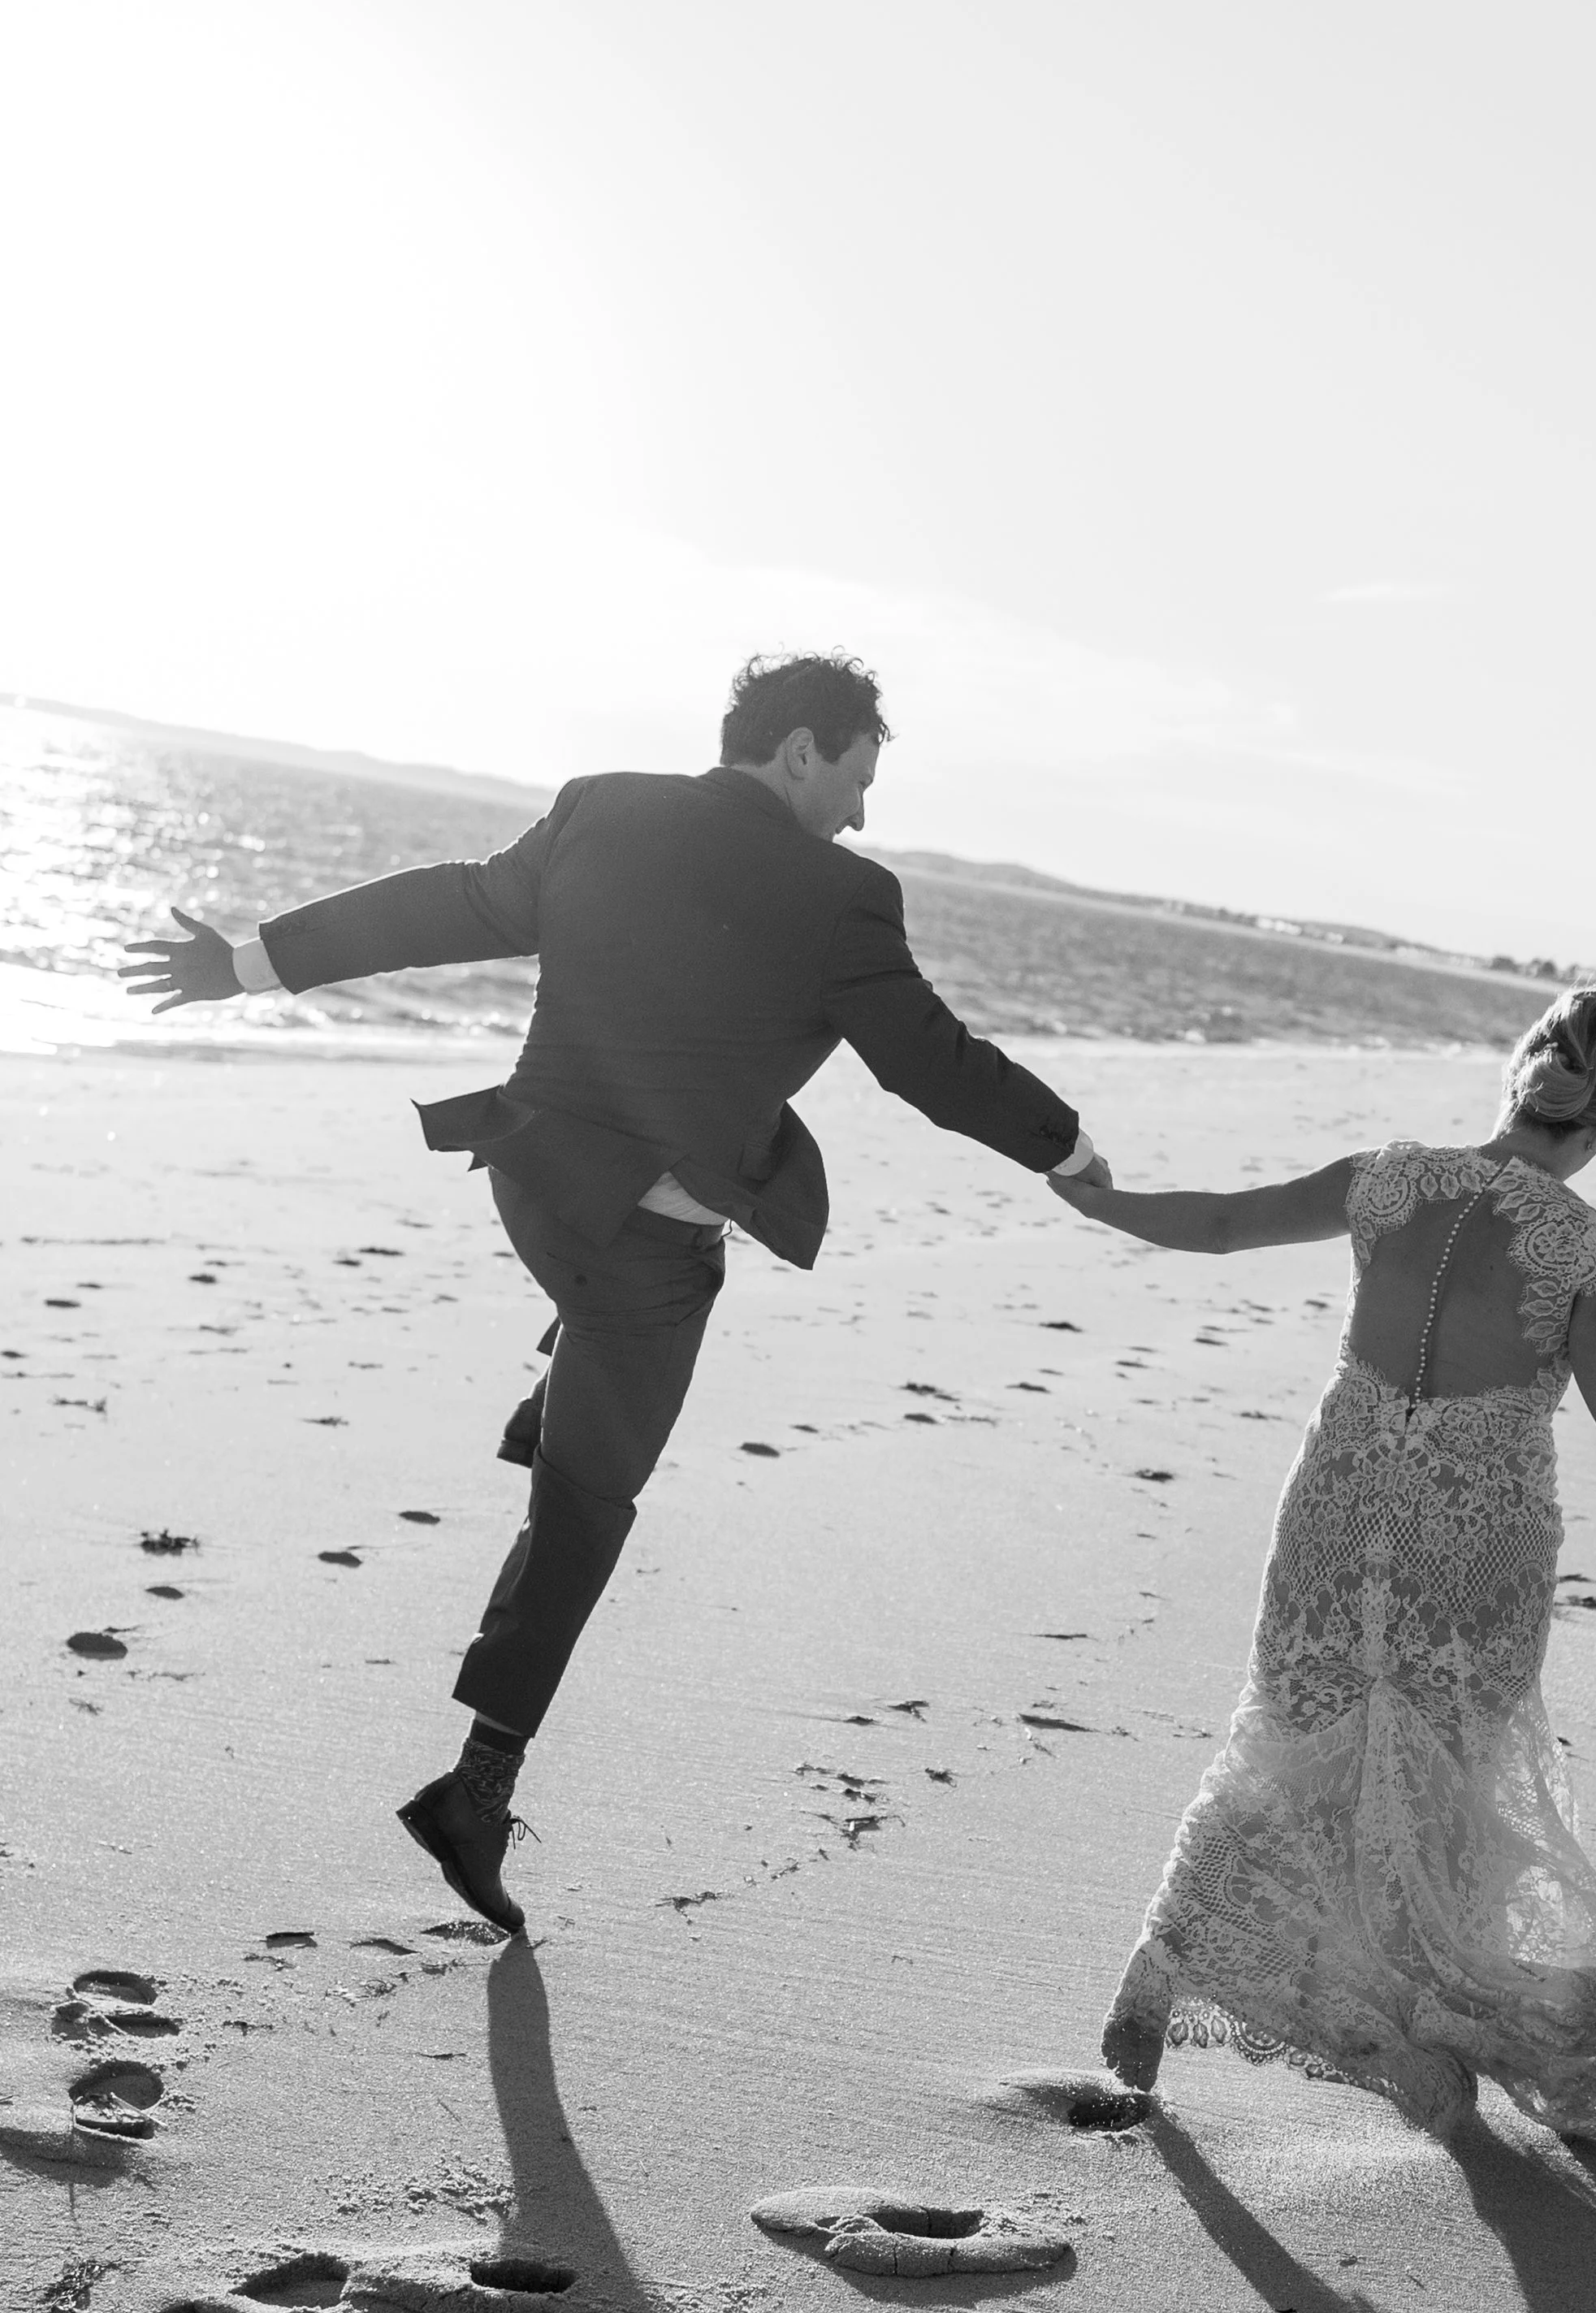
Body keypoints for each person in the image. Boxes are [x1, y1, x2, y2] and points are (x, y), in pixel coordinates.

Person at [123, 652, 1108, 1934]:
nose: (864, 812)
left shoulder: (601, 805)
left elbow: (451, 906)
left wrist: (252, 963)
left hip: (531, 1182)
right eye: (860, 776)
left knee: (616, 1314)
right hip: (632, 1249)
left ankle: (559, 1392)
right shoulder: (846, 898)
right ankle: (475, 1792)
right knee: (589, 1501)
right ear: (803, 749)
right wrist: (1065, 1145)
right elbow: (928, 1062)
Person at [1050, 989, 1596, 2145]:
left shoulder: (1389, 1179)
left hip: (1340, 1498)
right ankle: (1420, 2030)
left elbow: (1219, 1222)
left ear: (1517, 1078)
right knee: (1448, 1772)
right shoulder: (1589, 1248)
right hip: (1475, 1527)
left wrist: (1104, 1201)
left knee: (1292, 1730)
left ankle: (1169, 1958)